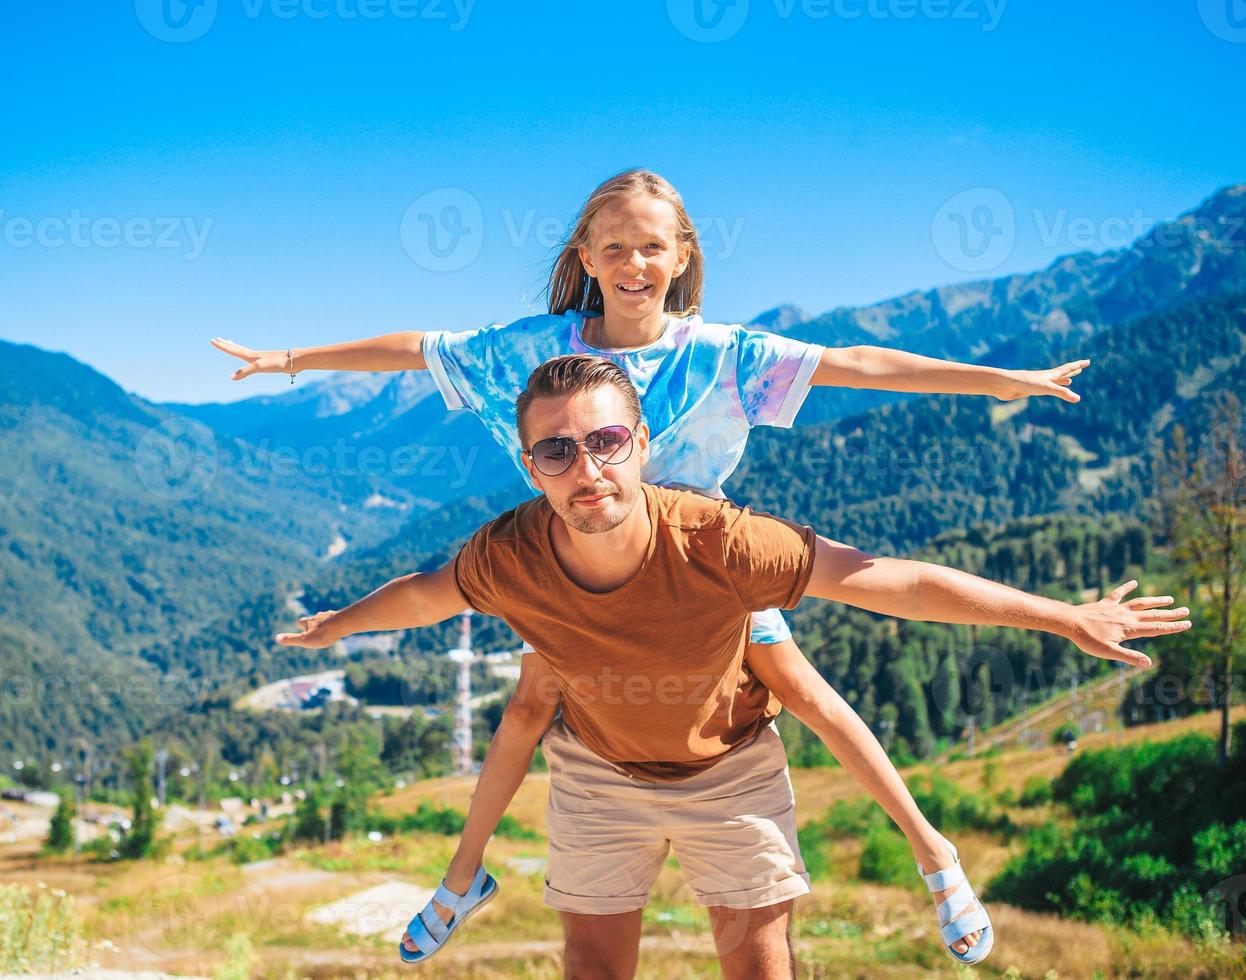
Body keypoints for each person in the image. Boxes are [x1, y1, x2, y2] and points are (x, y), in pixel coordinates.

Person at [215, 169, 1091, 959]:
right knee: (527, 711)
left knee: (805, 693)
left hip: (709, 570)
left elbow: (859, 365)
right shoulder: (535, 347)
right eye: (615, 245)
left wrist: (995, 380)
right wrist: (293, 360)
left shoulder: (723, 355)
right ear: (586, 256)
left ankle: (933, 853)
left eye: (651, 245)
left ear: (681, 258)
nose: (634, 260)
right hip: (580, 571)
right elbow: (419, 348)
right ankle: (463, 876)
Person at [276, 355, 1187, 978]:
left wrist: (1064, 617)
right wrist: (336, 629)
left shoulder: (718, 541)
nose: (584, 466)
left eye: (603, 442)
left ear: (640, 444)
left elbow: (890, 581)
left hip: (731, 771)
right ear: (530, 467)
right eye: (556, 450)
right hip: (597, 773)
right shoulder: (507, 556)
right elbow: (424, 592)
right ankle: (463, 878)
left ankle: (934, 855)